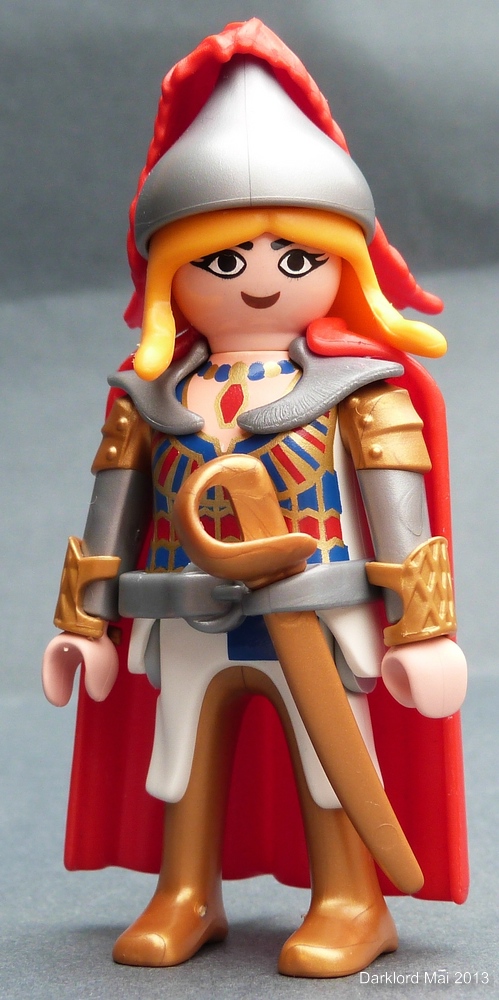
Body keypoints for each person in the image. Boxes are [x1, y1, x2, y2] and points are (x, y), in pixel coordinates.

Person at [43, 20, 467, 978]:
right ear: (172, 274)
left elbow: (400, 515)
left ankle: (351, 901)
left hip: (315, 614)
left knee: (329, 759)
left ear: (341, 265)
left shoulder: (362, 393)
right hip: (185, 613)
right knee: (182, 758)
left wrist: (422, 631)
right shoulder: (150, 398)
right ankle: (185, 892)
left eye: (295, 257)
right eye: (226, 261)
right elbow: (111, 516)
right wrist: (82, 624)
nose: (264, 282)